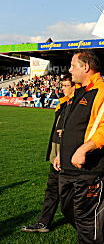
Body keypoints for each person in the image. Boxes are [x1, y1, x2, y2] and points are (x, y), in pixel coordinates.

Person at [54, 51, 104, 243]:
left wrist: (83, 150)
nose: (69, 69)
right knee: (67, 208)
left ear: (86, 67)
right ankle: (102, 234)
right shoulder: (78, 91)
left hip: (91, 167)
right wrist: (61, 154)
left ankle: (96, 237)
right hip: (67, 166)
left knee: (86, 217)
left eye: (73, 65)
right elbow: (71, 127)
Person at [21, 75, 75, 233]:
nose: (62, 88)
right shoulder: (63, 103)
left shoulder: (78, 105)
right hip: (56, 147)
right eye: (62, 85)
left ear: (74, 86)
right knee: (52, 187)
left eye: (66, 85)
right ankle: (44, 222)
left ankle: (89, 226)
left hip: (68, 149)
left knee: (69, 191)